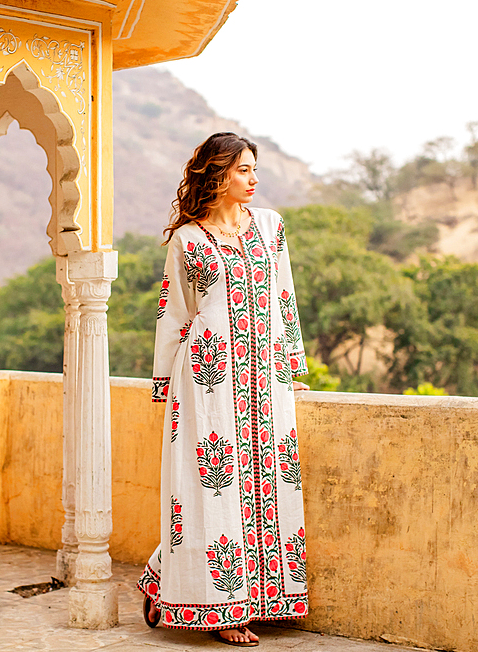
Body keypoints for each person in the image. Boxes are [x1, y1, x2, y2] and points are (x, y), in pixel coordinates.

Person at [137, 132, 310, 647]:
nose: (253, 180)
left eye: (255, 170)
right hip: (208, 380)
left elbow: (284, 295)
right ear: (217, 174)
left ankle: (255, 598)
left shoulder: (271, 228)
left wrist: (290, 363)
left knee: (268, 490)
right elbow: (175, 313)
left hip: (265, 377)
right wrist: (166, 383)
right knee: (213, 490)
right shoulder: (187, 241)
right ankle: (220, 609)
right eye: (243, 171)